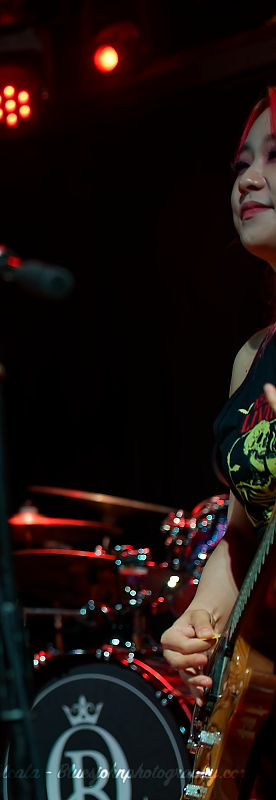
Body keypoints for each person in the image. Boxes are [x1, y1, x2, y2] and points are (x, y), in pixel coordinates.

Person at [160, 86, 276, 797]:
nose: (250, 179)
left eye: (275, 158)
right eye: (242, 165)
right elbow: (242, 532)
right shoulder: (254, 355)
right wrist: (203, 614)